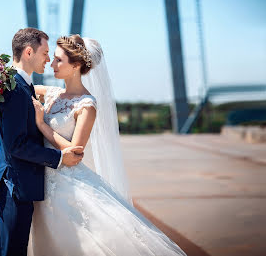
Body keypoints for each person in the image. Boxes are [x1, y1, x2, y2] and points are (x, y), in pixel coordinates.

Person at [30, 34, 188, 256]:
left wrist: (41, 124)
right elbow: (21, 86)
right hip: (43, 180)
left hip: (67, 184)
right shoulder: (53, 93)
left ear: (75, 66)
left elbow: (75, 151)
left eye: (58, 60)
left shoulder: (87, 105)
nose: (51, 64)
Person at [0, 28, 85, 256]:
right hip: (15, 185)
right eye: (45, 53)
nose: (48, 59)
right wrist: (60, 158)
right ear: (29, 52)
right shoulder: (15, 89)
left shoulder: (24, 86)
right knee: (11, 251)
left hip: (18, 184)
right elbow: (17, 145)